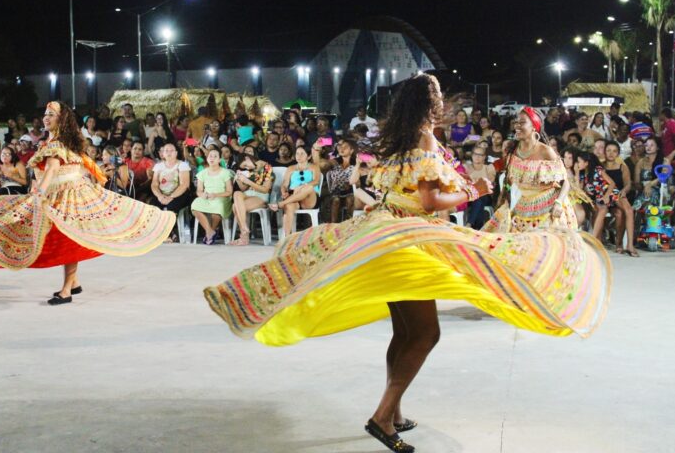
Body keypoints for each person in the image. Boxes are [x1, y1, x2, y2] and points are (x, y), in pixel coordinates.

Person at [203, 75, 612, 453]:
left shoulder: (399, 140)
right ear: (428, 106)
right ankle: (383, 417)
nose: (442, 106)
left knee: (405, 331)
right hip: (407, 243)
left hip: (390, 236)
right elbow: (431, 202)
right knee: (424, 335)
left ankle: (394, 410)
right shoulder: (424, 141)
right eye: (437, 100)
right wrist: (475, 189)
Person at [0, 101, 175, 304]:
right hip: (68, 192)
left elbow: (52, 169)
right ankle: (74, 283)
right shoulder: (64, 141)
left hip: (69, 195)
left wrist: (39, 192)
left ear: (61, 119)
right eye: (45, 113)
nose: (45, 117)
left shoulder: (58, 143)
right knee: (66, 237)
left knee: (68, 239)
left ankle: (66, 289)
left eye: (51, 114)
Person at [484, 107, 577, 232]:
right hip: (524, 208)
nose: (517, 125)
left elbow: (565, 182)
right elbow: (506, 179)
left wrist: (559, 203)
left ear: (534, 126)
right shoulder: (513, 152)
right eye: (516, 122)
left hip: (549, 210)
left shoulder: (546, 151)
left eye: (522, 122)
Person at [268, 145, 321, 237]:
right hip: (294, 197)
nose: (299, 156)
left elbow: (316, 181)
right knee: (289, 207)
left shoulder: (314, 167)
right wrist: (284, 191)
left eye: (302, 154)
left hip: (309, 198)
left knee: (308, 188)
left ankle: (281, 204)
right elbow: (284, 184)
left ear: (308, 156)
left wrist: (301, 187)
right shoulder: (290, 168)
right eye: (297, 153)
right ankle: (287, 238)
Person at [150, 142, 192, 242]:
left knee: (171, 207)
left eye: (172, 150)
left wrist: (171, 197)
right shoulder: (158, 166)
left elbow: (184, 185)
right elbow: (154, 184)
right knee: (153, 206)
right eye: (166, 150)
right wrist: (160, 196)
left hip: (179, 194)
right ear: (162, 154)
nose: (169, 153)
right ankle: (165, 233)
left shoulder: (182, 165)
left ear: (176, 153)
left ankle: (167, 234)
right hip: (162, 194)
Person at [229, 152, 273, 246]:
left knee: (235, 206)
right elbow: (244, 189)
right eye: (244, 167)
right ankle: (245, 228)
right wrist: (238, 179)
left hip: (261, 197)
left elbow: (265, 190)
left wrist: (248, 181)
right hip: (248, 195)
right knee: (236, 193)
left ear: (247, 158)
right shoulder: (250, 170)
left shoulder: (266, 167)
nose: (247, 168)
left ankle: (244, 237)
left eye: (245, 165)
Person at [603, 141, 638, 256]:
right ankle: (626, 245)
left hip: (618, 196)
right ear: (604, 152)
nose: (611, 153)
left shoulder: (622, 167)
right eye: (608, 150)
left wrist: (624, 190)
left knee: (621, 213)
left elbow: (628, 184)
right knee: (626, 210)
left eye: (614, 151)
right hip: (605, 197)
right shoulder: (600, 167)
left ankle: (622, 244)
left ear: (618, 153)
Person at [191, 149, 233, 244]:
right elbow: (199, 190)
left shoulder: (225, 172)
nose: (212, 158)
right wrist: (203, 195)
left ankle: (209, 233)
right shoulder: (202, 173)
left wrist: (216, 195)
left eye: (215, 156)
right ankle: (210, 231)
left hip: (222, 198)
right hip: (208, 197)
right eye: (210, 156)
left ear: (219, 160)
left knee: (217, 208)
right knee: (195, 205)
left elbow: (229, 192)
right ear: (207, 158)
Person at [576, 151, 619, 243]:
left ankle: (594, 237)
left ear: (586, 163)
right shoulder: (583, 175)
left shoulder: (598, 170)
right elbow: (579, 189)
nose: (577, 164)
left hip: (609, 193)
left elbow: (612, 183)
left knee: (602, 210)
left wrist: (607, 196)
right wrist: (576, 172)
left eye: (579, 161)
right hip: (599, 197)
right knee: (599, 210)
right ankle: (596, 238)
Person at [465, 145, 496, 229]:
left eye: (480, 155)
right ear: (472, 155)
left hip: (486, 195)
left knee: (479, 198)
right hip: (469, 196)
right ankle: (478, 228)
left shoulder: (489, 168)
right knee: (477, 199)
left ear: (484, 157)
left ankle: (469, 224)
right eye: (475, 154)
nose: (477, 157)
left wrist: (475, 184)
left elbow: (490, 184)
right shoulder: (466, 167)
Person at [560, 146, 591, 226]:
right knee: (579, 214)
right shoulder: (560, 170)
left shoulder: (575, 171)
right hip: (564, 196)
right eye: (565, 157)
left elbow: (578, 189)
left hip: (574, 196)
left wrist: (576, 173)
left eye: (570, 158)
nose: (566, 160)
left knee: (581, 214)